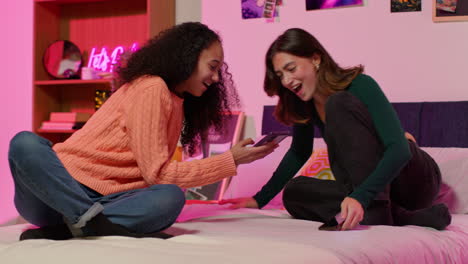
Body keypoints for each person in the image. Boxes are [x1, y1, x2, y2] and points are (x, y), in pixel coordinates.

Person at [8, 22, 277, 241]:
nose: (217, 77)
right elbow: (158, 173)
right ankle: (88, 222)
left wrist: (232, 159)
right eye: (213, 66)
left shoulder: (177, 102)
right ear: (188, 58)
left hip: (106, 200)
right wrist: (231, 159)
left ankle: (76, 227)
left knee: (170, 197)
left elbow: (156, 178)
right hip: (58, 192)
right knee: (24, 143)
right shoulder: (152, 88)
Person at [220, 28, 451, 231]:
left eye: (291, 69)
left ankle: (377, 211)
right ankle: (399, 216)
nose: (287, 81)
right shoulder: (304, 104)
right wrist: (259, 200)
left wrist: (360, 197)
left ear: (316, 59)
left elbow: (400, 150)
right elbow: (298, 153)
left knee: (337, 103)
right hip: (372, 193)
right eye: (281, 75)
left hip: (413, 180)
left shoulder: (359, 85)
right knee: (294, 192)